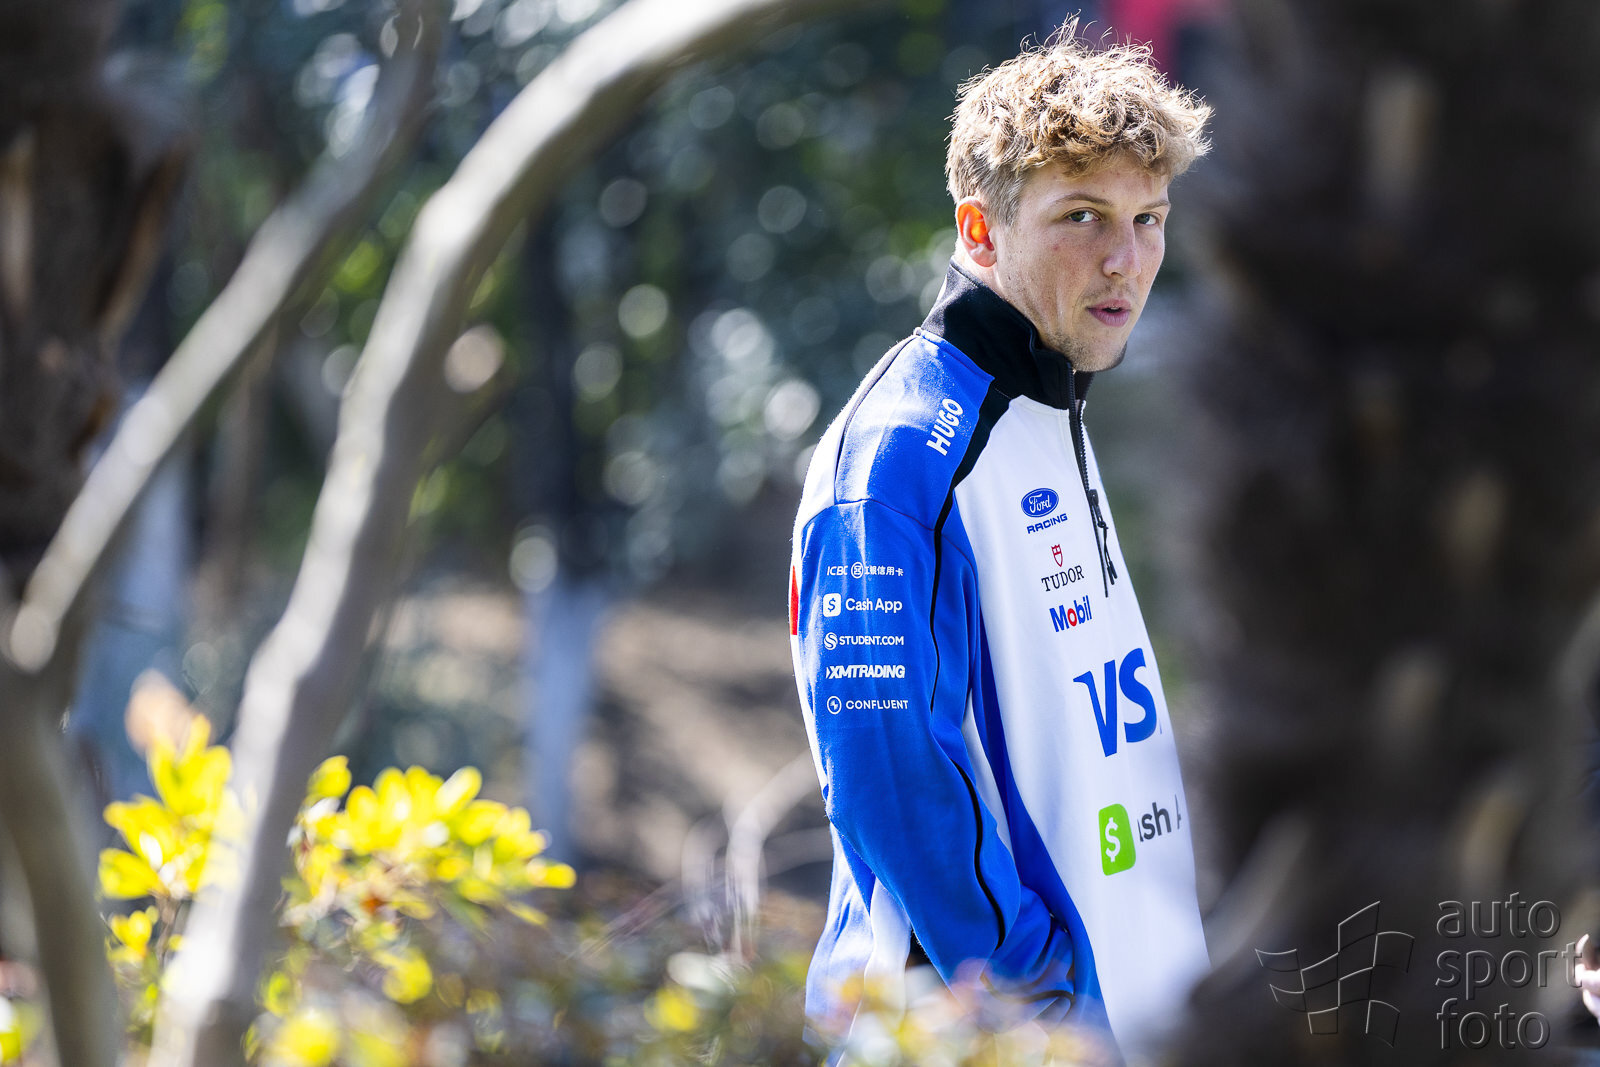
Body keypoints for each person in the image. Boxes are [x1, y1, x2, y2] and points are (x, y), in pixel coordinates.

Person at [786, 21, 1213, 1058]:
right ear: (980, 233)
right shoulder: (900, 458)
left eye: (1148, 218)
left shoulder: (1050, 397)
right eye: (1082, 216)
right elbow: (894, 781)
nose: (1125, 259)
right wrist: (1044, 1014)